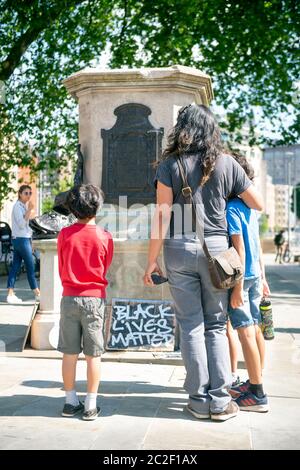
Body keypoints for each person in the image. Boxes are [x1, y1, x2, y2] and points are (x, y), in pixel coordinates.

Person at [143, 104, 263, 421]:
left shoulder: (169, 165)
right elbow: (258, 203)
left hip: (178, 250)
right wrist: (223, 196)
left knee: (191, 326)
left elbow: (162, 215)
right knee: (215, 325)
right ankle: (221, 401)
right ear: (212, 130)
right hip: (218, 253)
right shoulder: (226, 164)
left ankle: (198, 400)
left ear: (181, 129)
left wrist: (151, 260)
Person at [57, 184, 114, 421]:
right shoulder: (105, 237)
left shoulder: (64, 235)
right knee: (94, 354)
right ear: (97, 207)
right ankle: (91, 404)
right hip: (94, 299)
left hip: (69, 297)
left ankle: (70, 401)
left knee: (69, 353)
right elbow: (105, 264)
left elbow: (61, 262)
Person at [226, 152, 270, 412]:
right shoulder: (251, 208)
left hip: (242, 277)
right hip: (255, 274)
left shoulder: (232, 208)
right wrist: (263, 277)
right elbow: (257, 248)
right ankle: (257, 380)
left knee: (244, 332)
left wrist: (237, 287)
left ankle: (257, 393)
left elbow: (240, 251)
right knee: (255, 329)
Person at [7, 185, 40, 304]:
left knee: (15, 266)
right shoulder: (17, 207)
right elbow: (21, 224)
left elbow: (28, 228)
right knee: (31, 266)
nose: (29, 195)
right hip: (21, 240)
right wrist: (29, 210)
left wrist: (31, 242)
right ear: (20, 194)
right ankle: (37, 293)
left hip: (23, 239)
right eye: (26, 193)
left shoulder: (23, 206)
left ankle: (10, 294)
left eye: (30, 193)